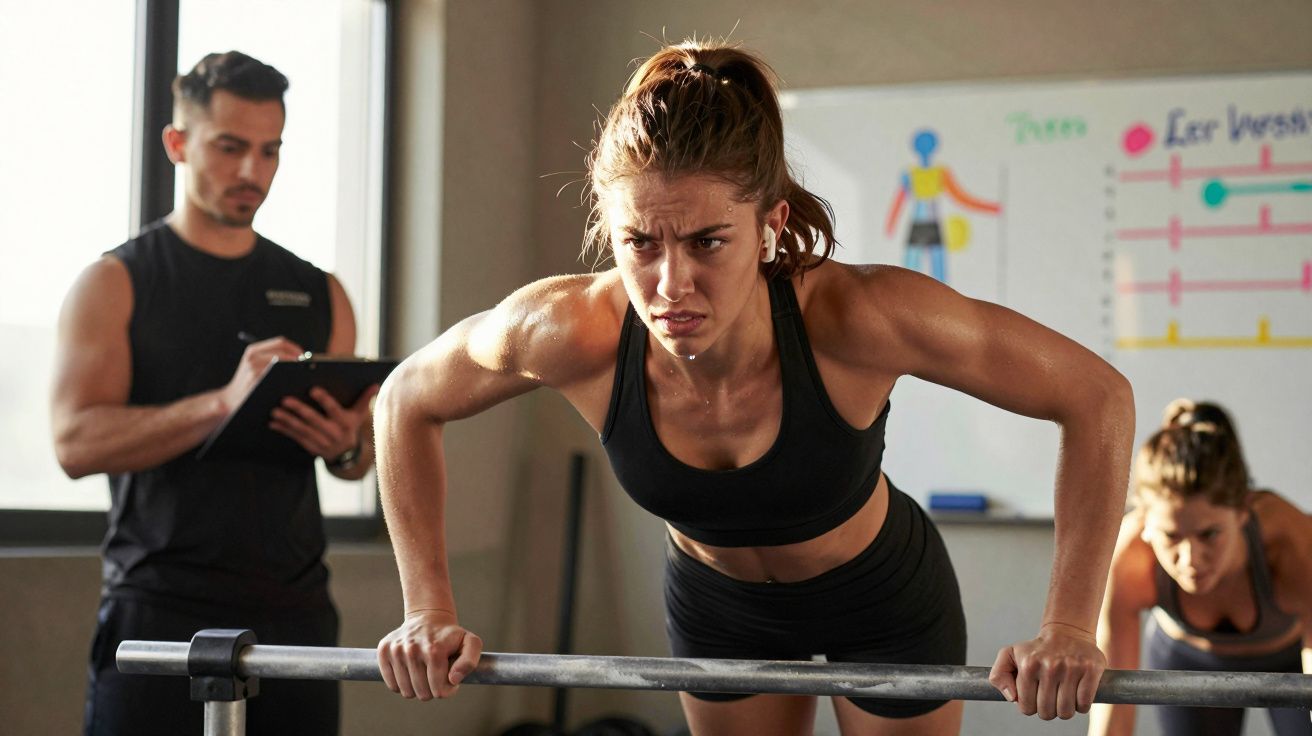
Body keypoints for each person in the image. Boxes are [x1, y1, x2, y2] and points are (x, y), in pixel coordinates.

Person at [374, 40, 1135, 735]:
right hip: (720, 608)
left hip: (880, 598)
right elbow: (407, 398)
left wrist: (1070, 624)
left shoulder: (858, 315)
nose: (672, 284)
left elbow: (1095, 395)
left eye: (708, 241)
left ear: (770, 224)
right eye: (641, 242)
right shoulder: (565, 331)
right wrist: (426, 609)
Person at [51, 51, 377, 736]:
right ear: (178, 144)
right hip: (159, 614)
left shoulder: (321, 292)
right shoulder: (115, 283)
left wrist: (346, 446)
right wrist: (224, 402)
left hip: (295, 619)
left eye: (269, 150)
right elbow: (74, 443)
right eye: (230, 148)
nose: (252, 172)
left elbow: (359, 456)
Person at [1088, 400, 1312, 736]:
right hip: (1186, 656)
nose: (1191, 559)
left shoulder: (1290, 541)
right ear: (1145, 522)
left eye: (1209, 534)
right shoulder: (1130, 554)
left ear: (1242, 513)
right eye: (1171, 536)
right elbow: (1111, 716)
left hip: (1292, 660)